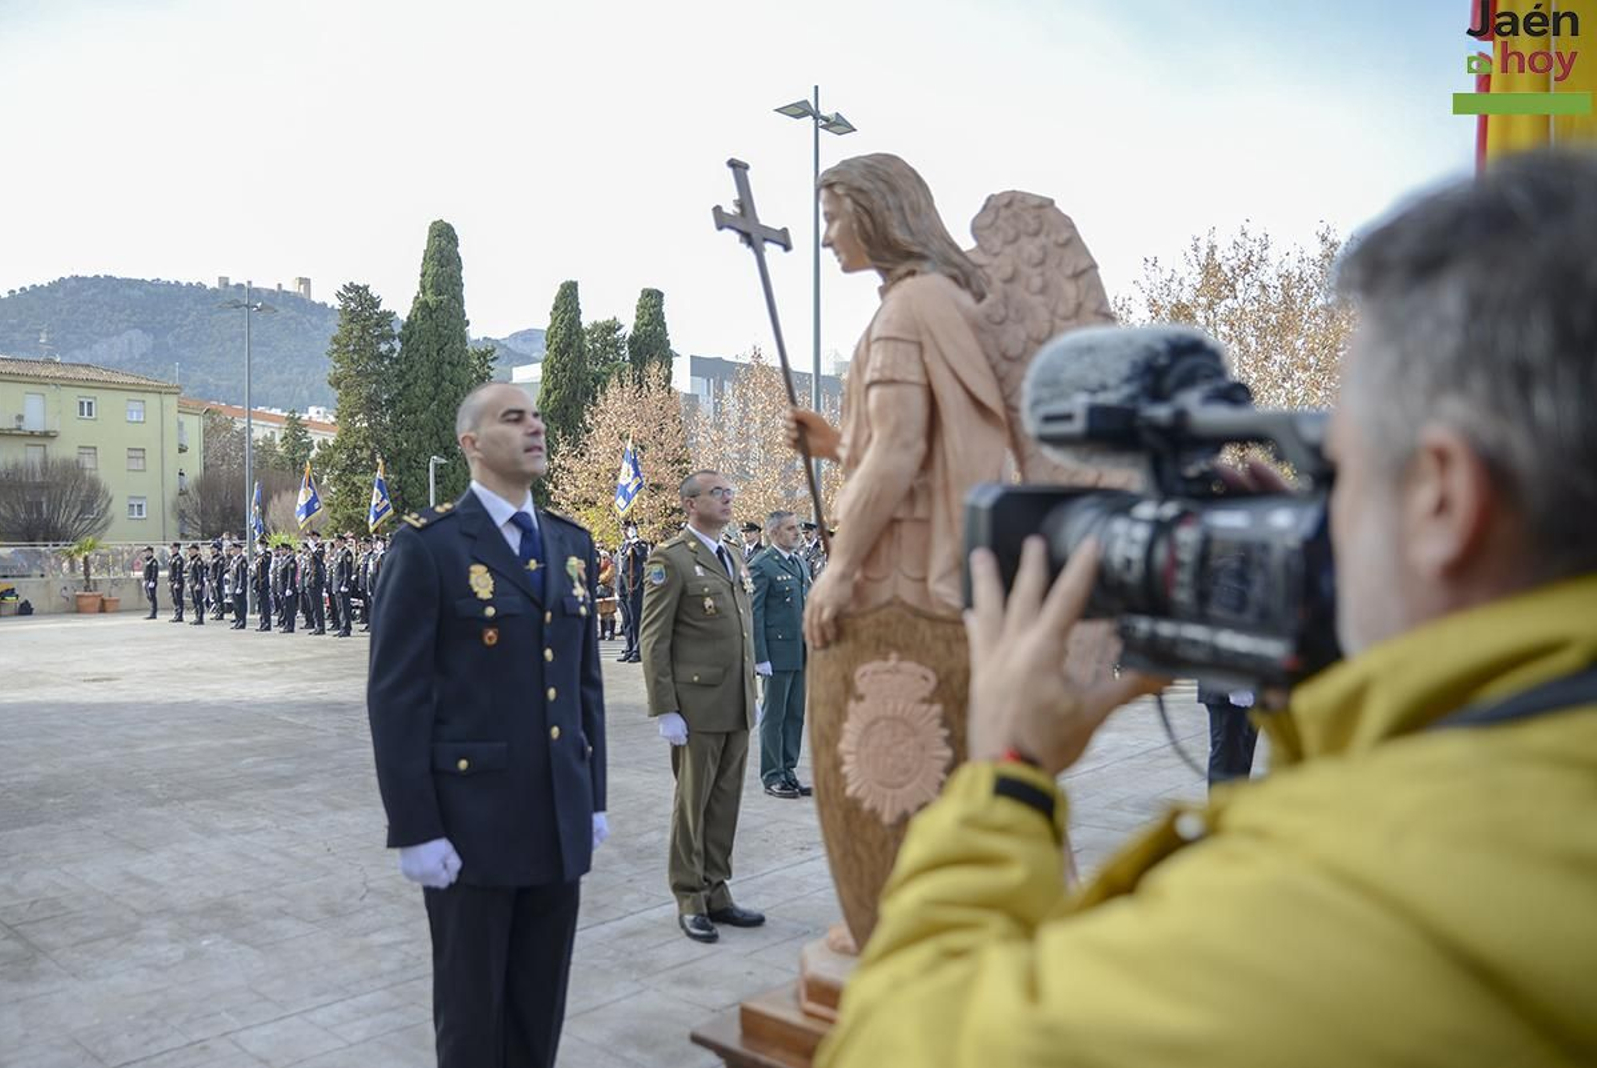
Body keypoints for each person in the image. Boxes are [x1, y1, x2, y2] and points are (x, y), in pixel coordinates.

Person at [815, 151, 1597, 1066]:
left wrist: (1011, 777)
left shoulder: (1324, 915)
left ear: (1441, 501)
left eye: (1340, 471)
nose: (1308, 517)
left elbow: (892, 1045)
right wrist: (1330, 681)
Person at [367, 381, 608, 1068]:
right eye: (513, 417)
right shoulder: (430, 547)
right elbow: (396, 699)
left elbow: (583, 685)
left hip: (557, 819)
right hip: (470, 827)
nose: (535, 427)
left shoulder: (570, 542)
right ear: (471, 443)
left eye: (536, 416)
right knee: (473, 1023)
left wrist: (592, 798)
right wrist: (415, 828)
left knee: (539, 1013)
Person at [639, 470, 764, 943]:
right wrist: (665, 708)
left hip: (735, 701)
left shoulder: (731, 554)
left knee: (725, 802)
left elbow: (742, 630)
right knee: (692, 805)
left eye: (730, 492)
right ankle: (689, 896)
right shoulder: (670, 560)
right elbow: (654, 639)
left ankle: (717, 888)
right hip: (696, 705)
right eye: (717, 493)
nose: (728, 499)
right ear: (691, 504)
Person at [749, 510, 811, 798]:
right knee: (774, 716)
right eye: (790, 529)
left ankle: (789, 770)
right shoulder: (762, 565)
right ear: (773, 533)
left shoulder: (798, 562)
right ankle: (772, 775)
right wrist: (760, 657)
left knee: (795, 714)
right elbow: (754, 614)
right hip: (776, 654)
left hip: (799, 652)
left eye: (797, 528)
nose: (796, 533)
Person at [616, 521, 650, 663]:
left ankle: (638, 649)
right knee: (627, 621)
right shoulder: (623, 545)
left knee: (636, 619)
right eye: (623, 528)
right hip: (623, 587)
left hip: (634, 586)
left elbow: (643, 556)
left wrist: (635, 540)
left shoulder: (640, 544)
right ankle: (629, 647)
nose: (624, 531)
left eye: (627, 528)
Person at [334, 533, 355, 638]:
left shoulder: (347, 553)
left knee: (344, 608)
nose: (336, 543)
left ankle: (346, 628)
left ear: (342, 541)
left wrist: (346, 584)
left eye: (337, 541)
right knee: (340, 608)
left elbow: (348, 571)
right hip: (337, 584)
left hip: (343, 585)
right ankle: (342, 627)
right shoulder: (338, 553)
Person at [276, 544, 298, 634]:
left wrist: (289, 587)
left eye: (283, 550)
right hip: (282, 587)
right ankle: (286, 625)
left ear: (288, 550)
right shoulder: (284, 560)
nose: (281, 551)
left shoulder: (291, 560)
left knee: (289, 608)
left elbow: (290, 576)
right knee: (285, 608)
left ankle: (290, 626)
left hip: (288, 587)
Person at [228, 544, 249, 631]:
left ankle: (241, 622)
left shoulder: (242, 560)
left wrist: (240, 586)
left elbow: (242, 575)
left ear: (238, 549)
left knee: (241, 605)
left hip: (238, 586)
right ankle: (237, 621)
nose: (232, 551)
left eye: (233, 549)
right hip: (233, 585)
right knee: (236, 606)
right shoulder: (234, 560)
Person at [254, 541, 273, 632]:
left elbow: (266, 564)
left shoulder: (267, 554)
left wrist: (262, 554)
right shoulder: (259, 555)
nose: (259, 546)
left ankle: (267, 624)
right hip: (259, 583)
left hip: (264, 583)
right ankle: (262, 623)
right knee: (261, 605)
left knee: (265, 605)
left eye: (261, 545)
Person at [185, 544, 206, 626]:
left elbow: (200, 574)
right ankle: (197, 617)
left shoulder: (198, 561)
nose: (189, 551)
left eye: (191, 550)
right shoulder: (191, 560)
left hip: (197, 584)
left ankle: (200, 618)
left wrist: (199, 583)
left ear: (196, 550)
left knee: (199, 601)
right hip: (192, 583)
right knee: (195, 601)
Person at [167, 542, 184, 623]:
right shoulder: (171, 558)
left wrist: (177, 582)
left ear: (177, 548)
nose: (172, 549)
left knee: (178, 599)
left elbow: (178, 572)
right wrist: (169, 581)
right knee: (174, 599)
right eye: (171, 548)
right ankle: (176, 614)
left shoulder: (179, 559)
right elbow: (170, 571)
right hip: (172, 581)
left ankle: (180, 615)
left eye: (173, 548)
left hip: (177, 582)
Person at [141, 546, 159, 619]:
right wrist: (145, 580)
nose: (146, 553)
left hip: (151, 582)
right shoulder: (147, 561)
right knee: (149, 597)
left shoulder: (153, 561)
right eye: (145, 552)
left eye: (148, 552)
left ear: (151, 552)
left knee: (152, 597)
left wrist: (152, 581)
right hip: (147, 581)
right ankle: (152, 612)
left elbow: (154, 572)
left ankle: (153, 613)